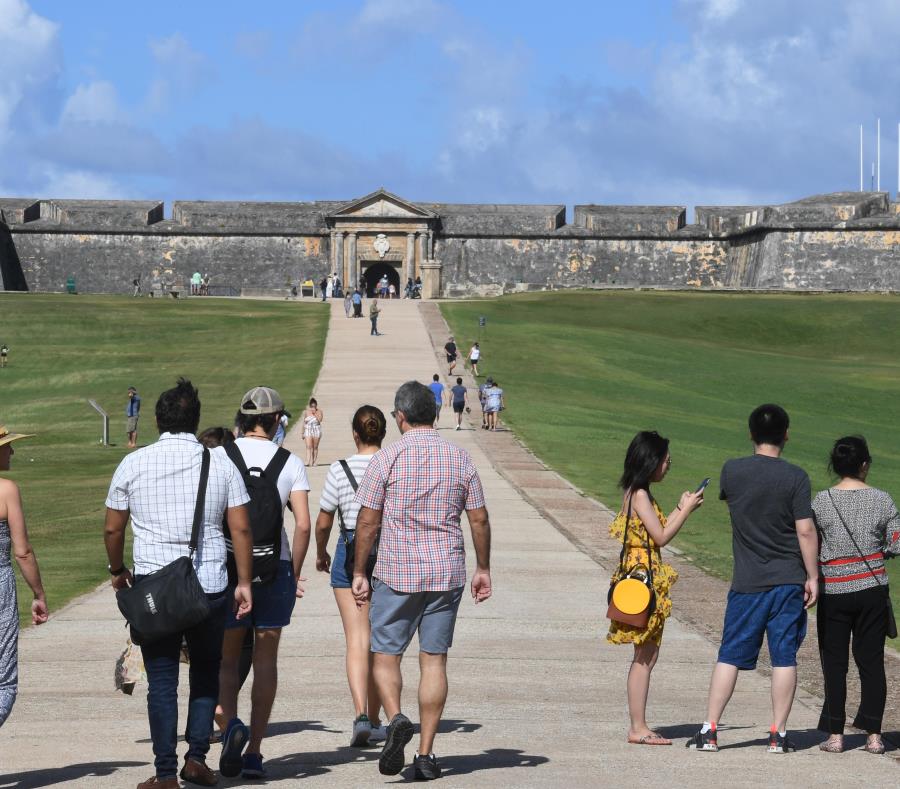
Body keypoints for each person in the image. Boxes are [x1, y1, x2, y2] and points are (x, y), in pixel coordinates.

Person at [104, 378, 254, 789]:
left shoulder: (133, 464)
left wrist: (117, 570)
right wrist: (244, 581)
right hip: (208, 583)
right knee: (207, 671)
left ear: (157, 420)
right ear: (196, 420)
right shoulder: (219, 462)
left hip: (155, 587)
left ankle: (166, 773)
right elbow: (240, 529)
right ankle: (197, 759)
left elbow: (113, 528)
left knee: (163, 680)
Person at [351, 381, 492, 781]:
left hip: (397, 571)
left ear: (400, 416)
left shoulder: (387, 459)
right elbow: (478, 518)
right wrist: (483, 567)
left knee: (385, 654)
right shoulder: (459, 458)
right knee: (434, 660)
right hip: (445, 572)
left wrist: (360, 571)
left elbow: (367, 521)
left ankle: (395, 717)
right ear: (435, 413)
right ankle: (426, 754)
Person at [687, 404, 819, 754]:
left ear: (751, 433)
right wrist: (813, 576)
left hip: (748, 580)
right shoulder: (796, 477)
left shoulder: (732, 471)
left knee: (730, 654)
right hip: (788, 579)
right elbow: (805, 531)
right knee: (783, 657)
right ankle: (778, 734)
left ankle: (710, 730)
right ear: (786, 434)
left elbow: (737, 506)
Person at [217, 387, 311, 779]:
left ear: (241, 419)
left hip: (226, 568)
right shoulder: (290, 462)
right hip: (274, 569)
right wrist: (294, 569)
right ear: (276, 422)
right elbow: (303, 523)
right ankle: (255, 749)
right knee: (266, 661)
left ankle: (229, 734)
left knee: (226, 660)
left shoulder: (220, 456)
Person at [608, 431, 703, 745]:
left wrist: (679, 507)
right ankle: (638, 727)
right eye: (665, 459)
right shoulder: (639, 495)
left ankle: (639, 725)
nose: (668, 464)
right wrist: (686, 511)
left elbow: (655, 532)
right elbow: (661, 537)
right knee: (644, 655)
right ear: (650, 461)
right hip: (644, 581)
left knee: (646, 653)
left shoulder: (635, 492)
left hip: (639, 574)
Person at [813, 436, 900, 755]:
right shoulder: (882, 499)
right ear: (865, 465)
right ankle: (874, 736)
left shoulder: (822, 501)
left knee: (835, 663)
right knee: (871, 662)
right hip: (871, 589)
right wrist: (880, 550)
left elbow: (812, 540)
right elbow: (897, 542)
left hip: (833, 589)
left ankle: (836, 734)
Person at [315, 406, 388, 747]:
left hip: (348, 550)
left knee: (356, 639)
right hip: (386, 553)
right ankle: (376, 718)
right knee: (379, 641)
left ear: (355, 435)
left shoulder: (339, 469)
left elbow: (324, 519)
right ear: (383, 433)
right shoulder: (392, 464)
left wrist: (321, 551)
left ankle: (361, 714)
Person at [197, 427, 254, 742]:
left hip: (198, 574)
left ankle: (209, 713)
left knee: (204, 653)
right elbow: (242, 529)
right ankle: (222, 710)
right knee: (239, 649)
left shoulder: (194, 478)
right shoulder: (230, 475)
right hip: (230, 570)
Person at [0, 425, 48, 729]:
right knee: (3, 683)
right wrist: (39, 594)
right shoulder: (6, 489)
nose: (12, 451)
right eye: (7, 445)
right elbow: (23, 552)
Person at [302, 398, 324, 467]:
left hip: (316, 429)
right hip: (308, 429)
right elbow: (304, 423)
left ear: (316, 406)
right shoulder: (306, 412)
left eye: (314, 406)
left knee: (315, 447)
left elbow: (320, 420)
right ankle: (307, 461)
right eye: (311, 406)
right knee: (308, 446)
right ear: (309, 406)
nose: (313, 408)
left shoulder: (319, 411)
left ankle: (314, 461)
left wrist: (315, 414)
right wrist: (302, 433)